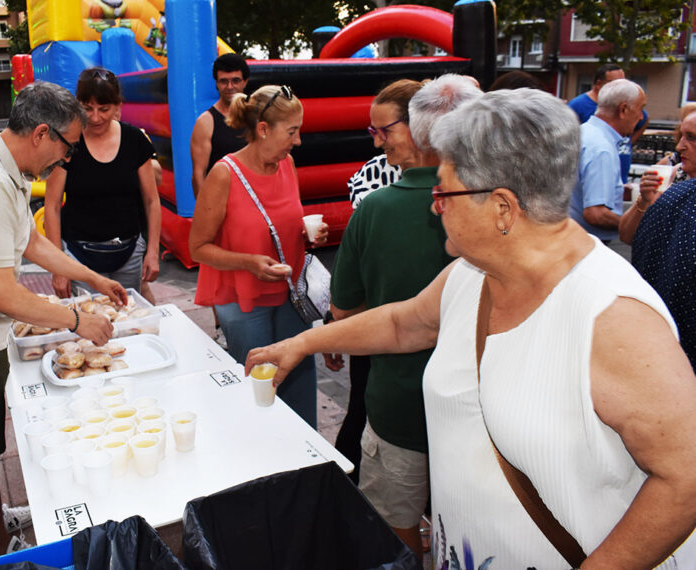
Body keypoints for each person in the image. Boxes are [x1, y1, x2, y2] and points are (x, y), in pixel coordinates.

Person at [246, 88, 696, 568]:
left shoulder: (611, 315)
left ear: (502, 207)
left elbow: (685, 476)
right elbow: (405, 322)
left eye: (443, 191)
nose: (434, 206)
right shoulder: (473, 273)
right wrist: (301, 343)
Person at [0, 81, 129, 558]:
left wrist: (92, 277)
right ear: (40, 134)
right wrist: (75, 319)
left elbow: (30, 244)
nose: (67, 159)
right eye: (67, 146)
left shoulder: (2, 168)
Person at [327, 75, 481, 556]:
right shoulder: (504, 211)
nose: (376, 140)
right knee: (468, 533)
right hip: (478, 410)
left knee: (394, 528)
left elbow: (346, 309)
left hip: (399, 405)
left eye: (383, 130)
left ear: (418, 130)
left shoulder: (376, 209)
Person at [189, 84, 327, 428]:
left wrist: (306, 234)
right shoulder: (224, 174)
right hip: (243, 300)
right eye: (292, 132)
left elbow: (282, 224)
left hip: (291, 295)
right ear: (263, 130)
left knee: (298, 378)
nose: (297, 141)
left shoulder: (286, 163)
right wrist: (249, 262)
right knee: (258, 387)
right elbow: (198, 247)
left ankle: (305, 458)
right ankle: (264, 461)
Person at [44, 67, 161, 297]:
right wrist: (58, 266)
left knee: (130, 319)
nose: (95, 117)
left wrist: (153, 251)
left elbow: (151, 201)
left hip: (128, 252)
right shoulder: (67, 142)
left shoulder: (134, 140)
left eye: (104, 109)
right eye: (88, 108)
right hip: (80, 255)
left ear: (118, 106)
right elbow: (52, 206)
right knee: (91, 324)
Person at [626, 111, 696, 371]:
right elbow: (629, 237)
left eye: (692, 138)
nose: (679, 146)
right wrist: (644, 203)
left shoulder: (677, 197)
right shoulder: (671, 178)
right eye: (681, 136)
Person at [570, 79, 646, 243]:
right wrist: (633, 225)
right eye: (641, 109)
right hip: (584, 244)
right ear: (623, 109)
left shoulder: (583, 132)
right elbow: (596, 214)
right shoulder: (601, 148)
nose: (641, 117)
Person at [568, 64, 648, 185]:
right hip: (595, 175)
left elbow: (644, 120)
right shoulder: (578, 106)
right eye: (614, 82)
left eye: (623, 81)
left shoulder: (631, 107)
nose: (620, 86)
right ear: (599, 84)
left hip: (619, 175)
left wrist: (626, 141)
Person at [190, 53, 249, 197]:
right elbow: (198, 174)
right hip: (222, 202)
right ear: (216, 83)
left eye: (235, 80)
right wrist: (205, 212)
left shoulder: (257, 116)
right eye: (224, 81)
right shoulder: (206, 122)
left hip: (257, 201)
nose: (230, 87)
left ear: (245, 82)